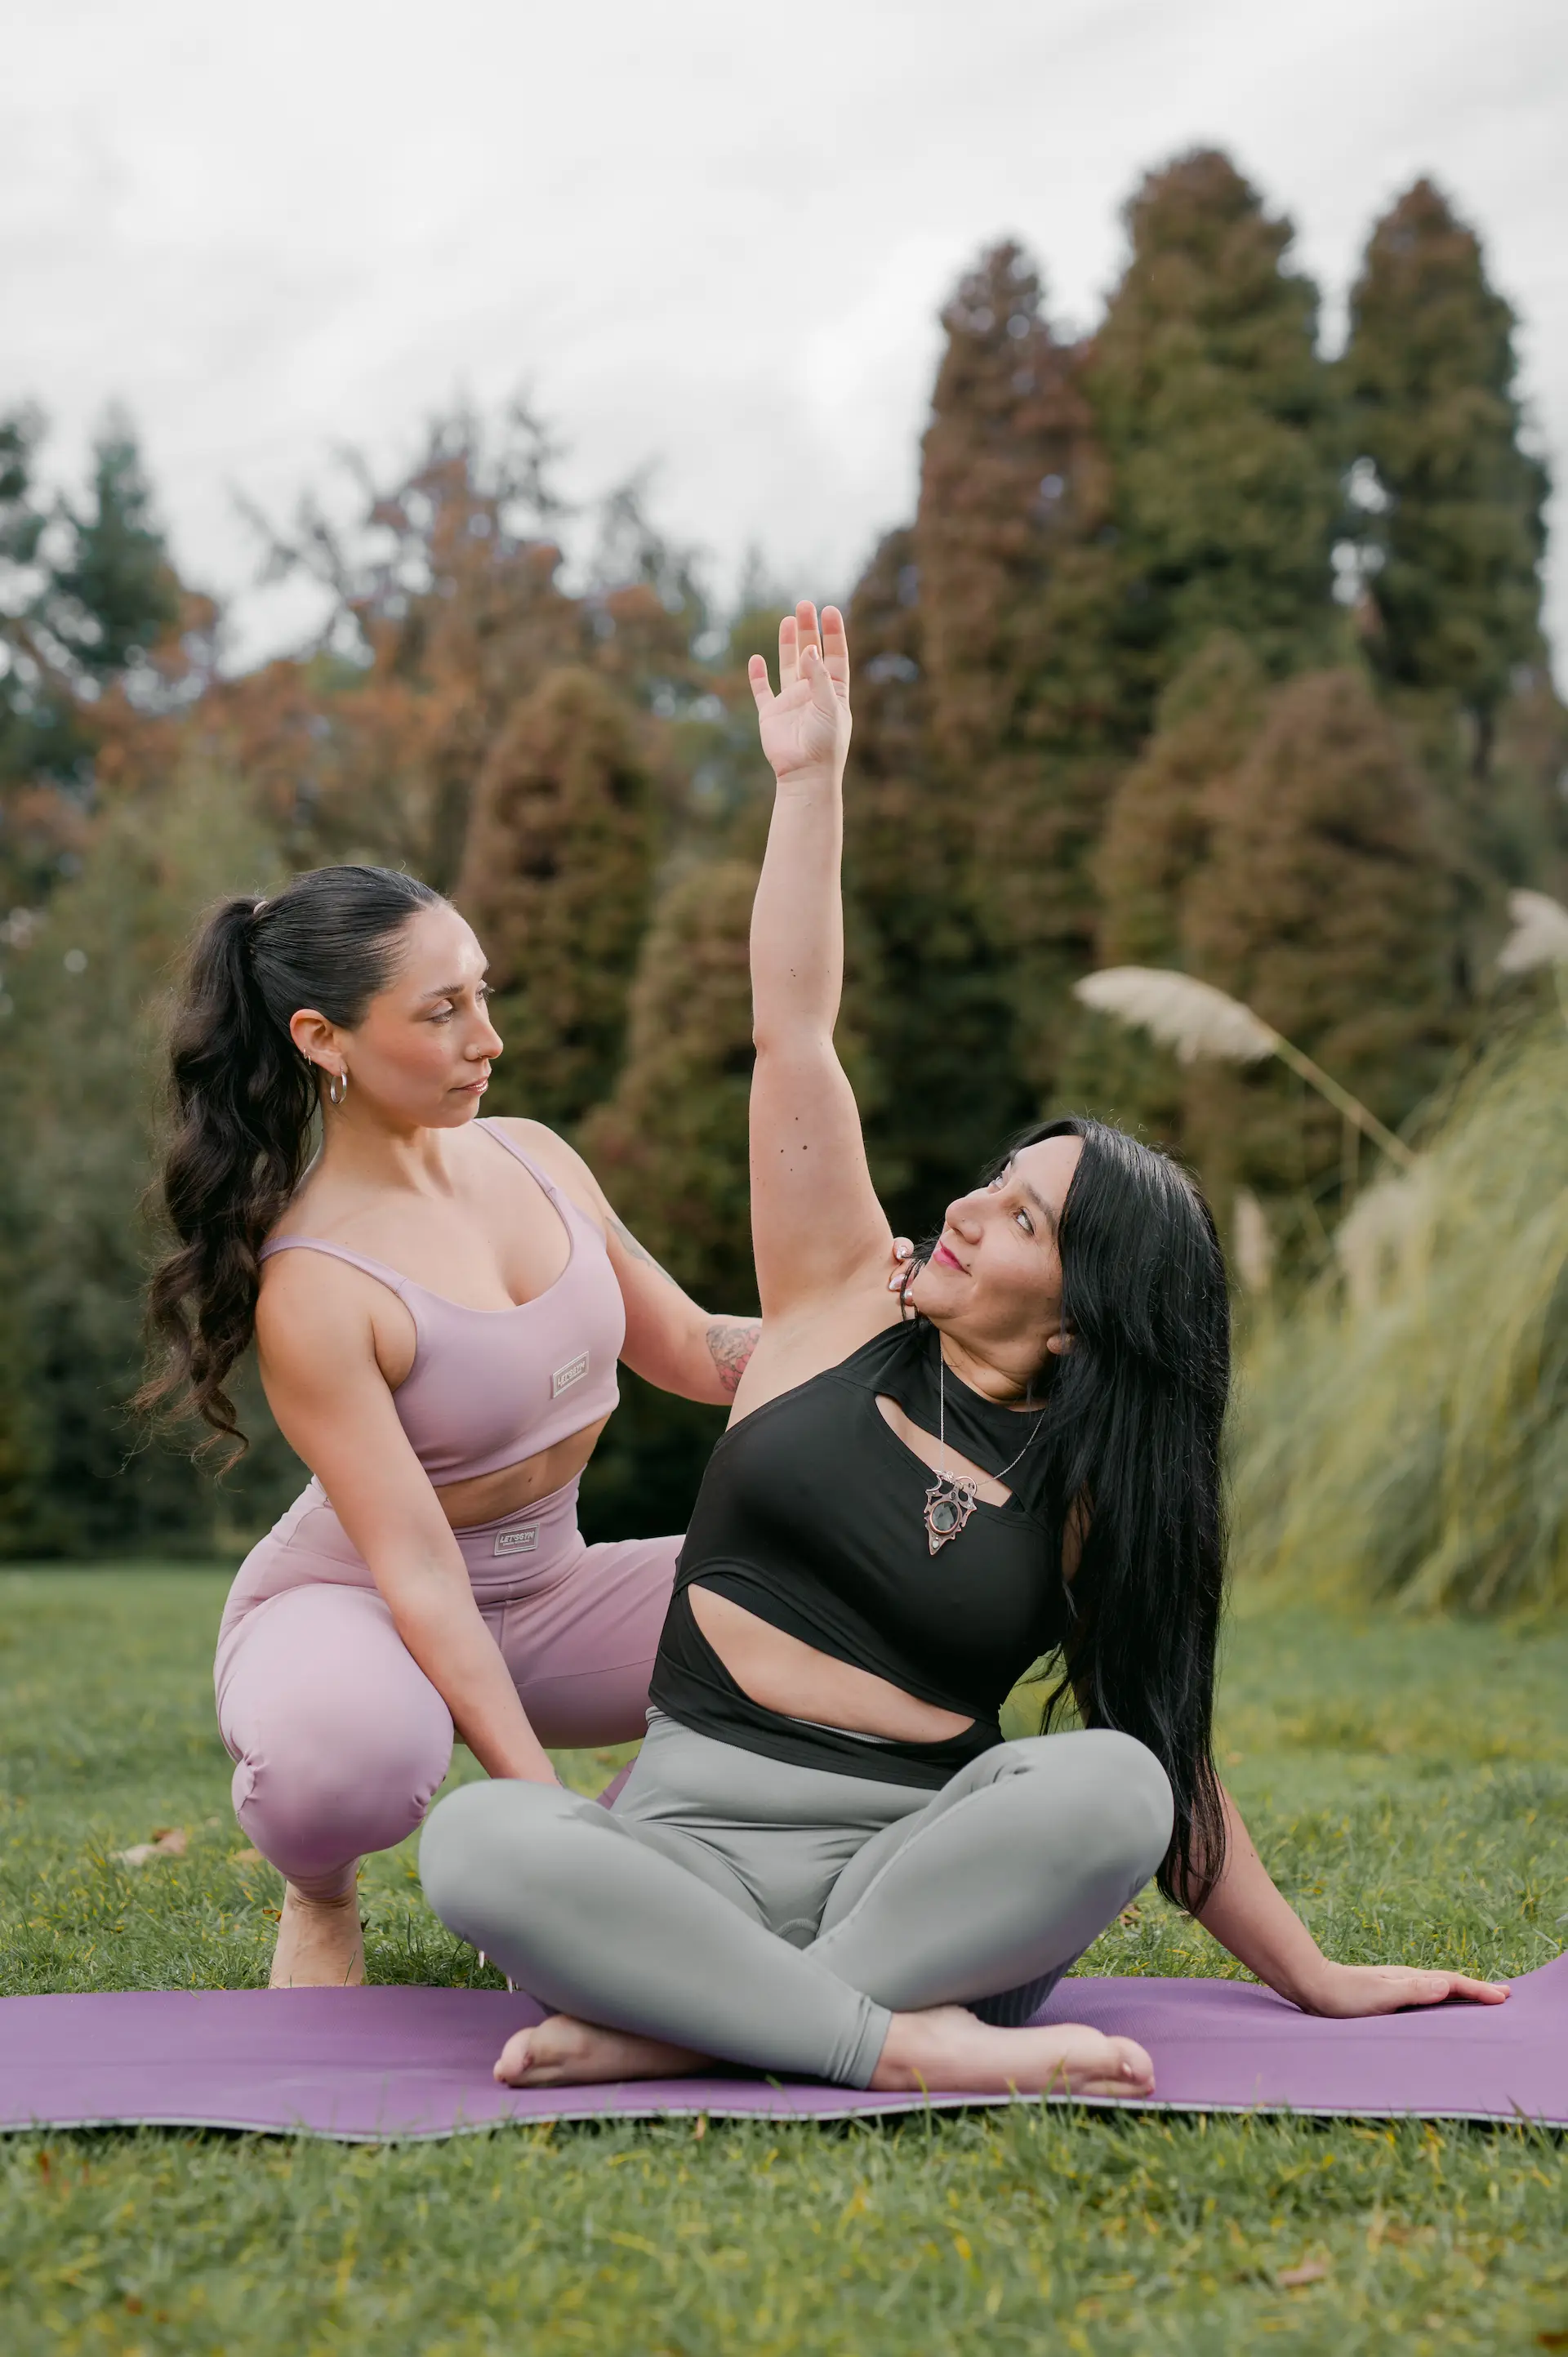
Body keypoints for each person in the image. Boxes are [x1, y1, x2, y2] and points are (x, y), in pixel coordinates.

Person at [419, 603, 1508, 2100]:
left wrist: (1312, 1975)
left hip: (920, 1889)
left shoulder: (1085, 1481)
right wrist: (811, 784)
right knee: (478, 1836)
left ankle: (699, 2024)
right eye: (995, 1181)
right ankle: (875, 2043)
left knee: (1109, 1779)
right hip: (678, 1858)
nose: (968, 1210)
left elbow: (1167, 1768)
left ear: (1080, 1316)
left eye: (1021, 1219)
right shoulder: (832, 1300)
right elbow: (793, 1030)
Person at [143, 862, 900, 1989]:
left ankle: (633, 1855)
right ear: (322, 1036)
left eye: (483, 994)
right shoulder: (313, 1282)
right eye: (442, 1010)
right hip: (363, 1605)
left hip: (549, 1593)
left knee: (835, 1608)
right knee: (348, 1766)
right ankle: (321, 1882)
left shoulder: (538, 1159)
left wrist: (884, 1322)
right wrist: (539, 1814)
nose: (486, 1036)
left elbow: (693, 1351)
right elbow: (419, 1572)